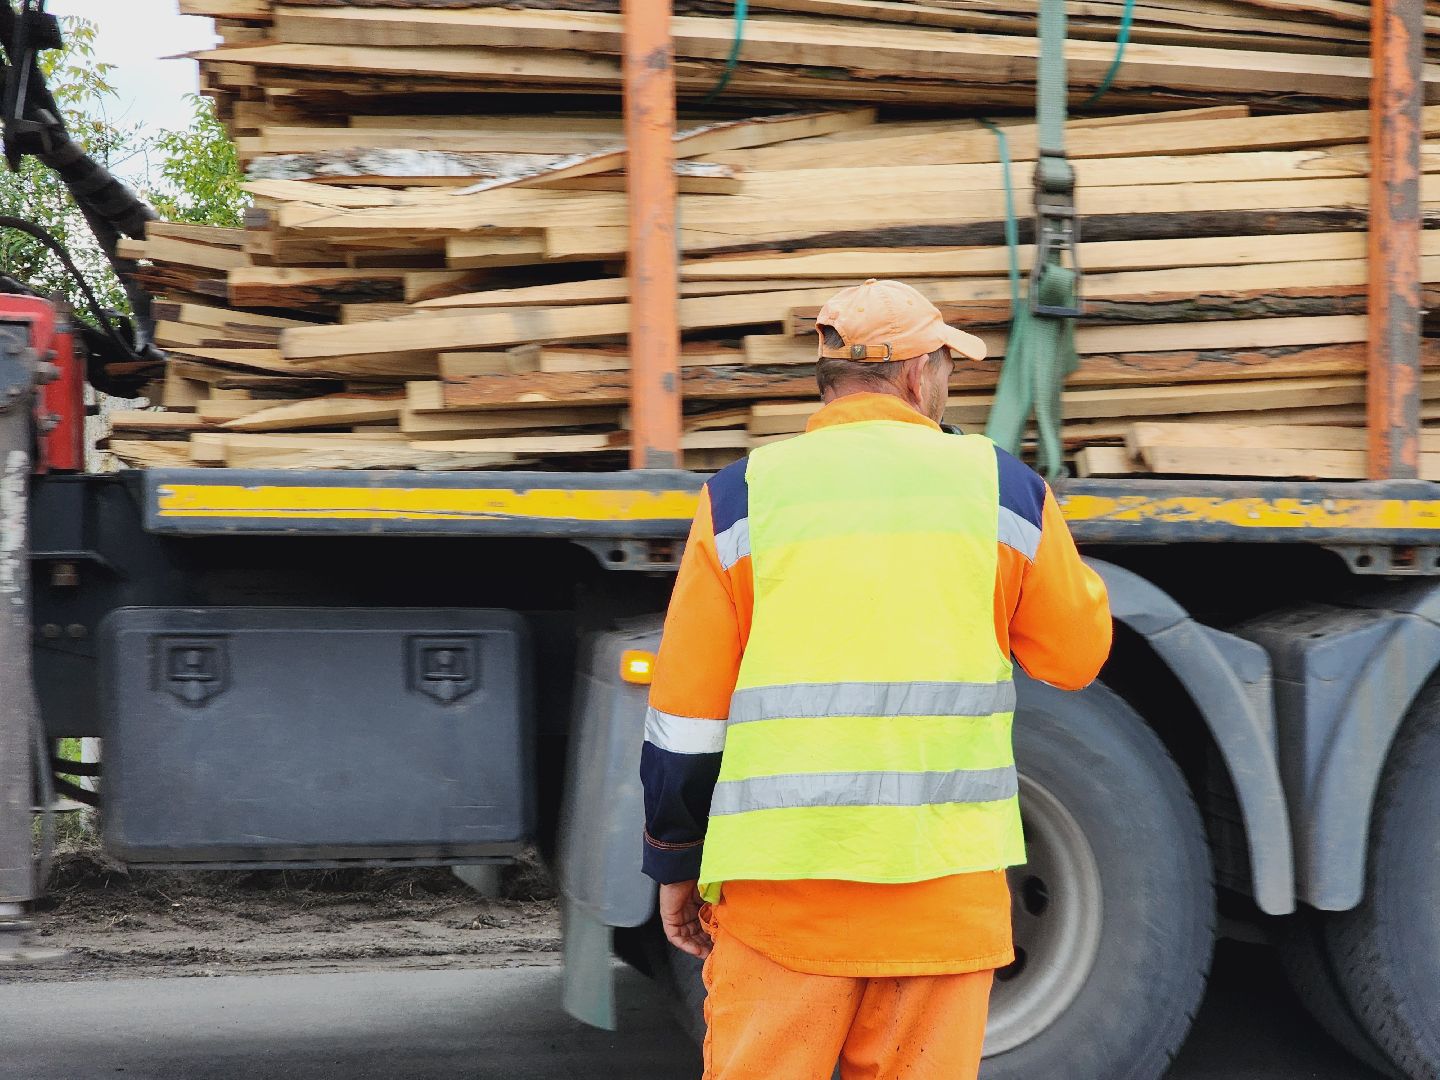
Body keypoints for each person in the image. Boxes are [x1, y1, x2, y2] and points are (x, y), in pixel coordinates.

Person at [639, 278, 1112, 1080]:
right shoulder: (1003, 490)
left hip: (784, 898)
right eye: (947, 368)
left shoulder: (742, 497)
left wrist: (674, 862)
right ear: (918, 374)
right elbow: (1075, 657)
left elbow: (687, 715)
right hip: (943, 902)